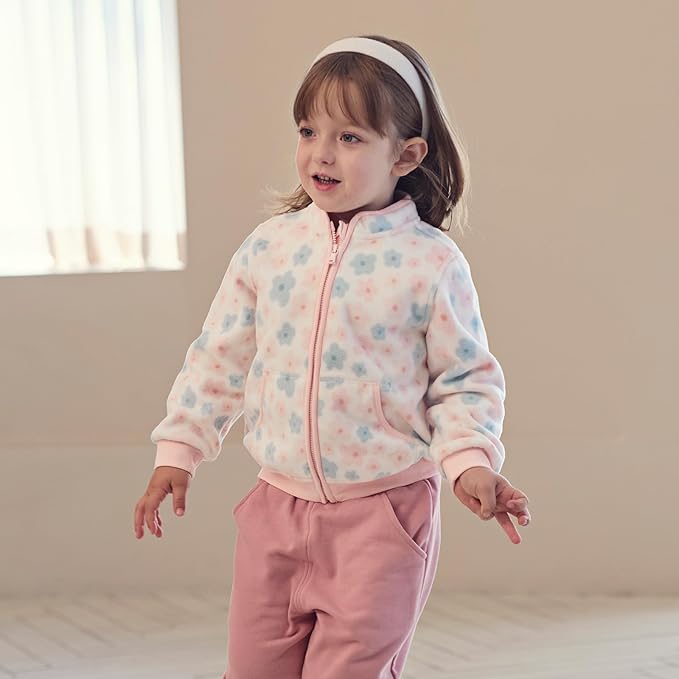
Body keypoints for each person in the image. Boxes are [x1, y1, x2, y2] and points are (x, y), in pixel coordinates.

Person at [134, 34, 532, 679]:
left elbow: (462, 379)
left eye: (349, 137)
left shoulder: (430, 261)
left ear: (405, 154)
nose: (321, 152)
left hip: (383, 515)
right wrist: (179, 449)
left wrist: (469, 461)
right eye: (308, 130)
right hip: (275, 510)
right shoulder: (269, 248)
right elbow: (219, 357)